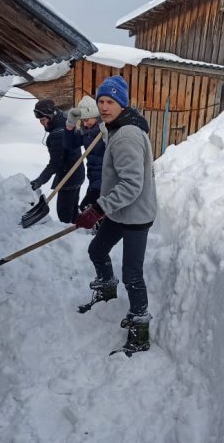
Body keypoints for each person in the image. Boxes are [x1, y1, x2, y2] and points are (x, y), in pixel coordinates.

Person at [75, 76, 158, 356]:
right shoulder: (119, 128)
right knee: (97, 249)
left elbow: (132, 184)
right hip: (121, 211)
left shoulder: (126, 136)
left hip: (135, 215)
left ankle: (140, 331)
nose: (104, 106)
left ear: (122, 103)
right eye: (101, 101)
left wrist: (98, 208)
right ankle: (107, 294)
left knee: (132, 274)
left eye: (110, 101)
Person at [30, 99, 85, 224]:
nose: (41, 123)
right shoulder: (66, 124)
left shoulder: (57, 135)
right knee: (73, 214)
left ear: (51, 116)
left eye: (43, 120)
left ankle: (70, 239)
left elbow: (55, 164)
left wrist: (39, 181)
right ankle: (78, 235)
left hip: (68, 178)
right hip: (77, 175)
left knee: (65, 217)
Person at [64, 95, 106, 211]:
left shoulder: (104, 130)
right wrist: (70, 125)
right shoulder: (86, 131)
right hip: (93, 178)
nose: (85, 124)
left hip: (105, 180)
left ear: (95, 116)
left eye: (86, 120)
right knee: (91, 212)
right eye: (82, 121)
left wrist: (107, 137)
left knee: (87, 208)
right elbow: (70, 145)